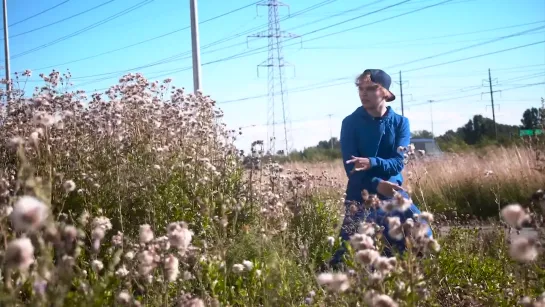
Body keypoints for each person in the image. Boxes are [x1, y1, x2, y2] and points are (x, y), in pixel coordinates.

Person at [328, 69, 432, 268]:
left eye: (371, 88)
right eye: (361, 88)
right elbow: (351, 169)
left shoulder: (401, 123)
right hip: (360, 196)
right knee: (347, 258)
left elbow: (398, 162)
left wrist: (372, 162)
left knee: (420, 239)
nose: (363, 93)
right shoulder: (350, 123)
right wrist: (377, 184)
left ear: (385, 92)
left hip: (394, 196)